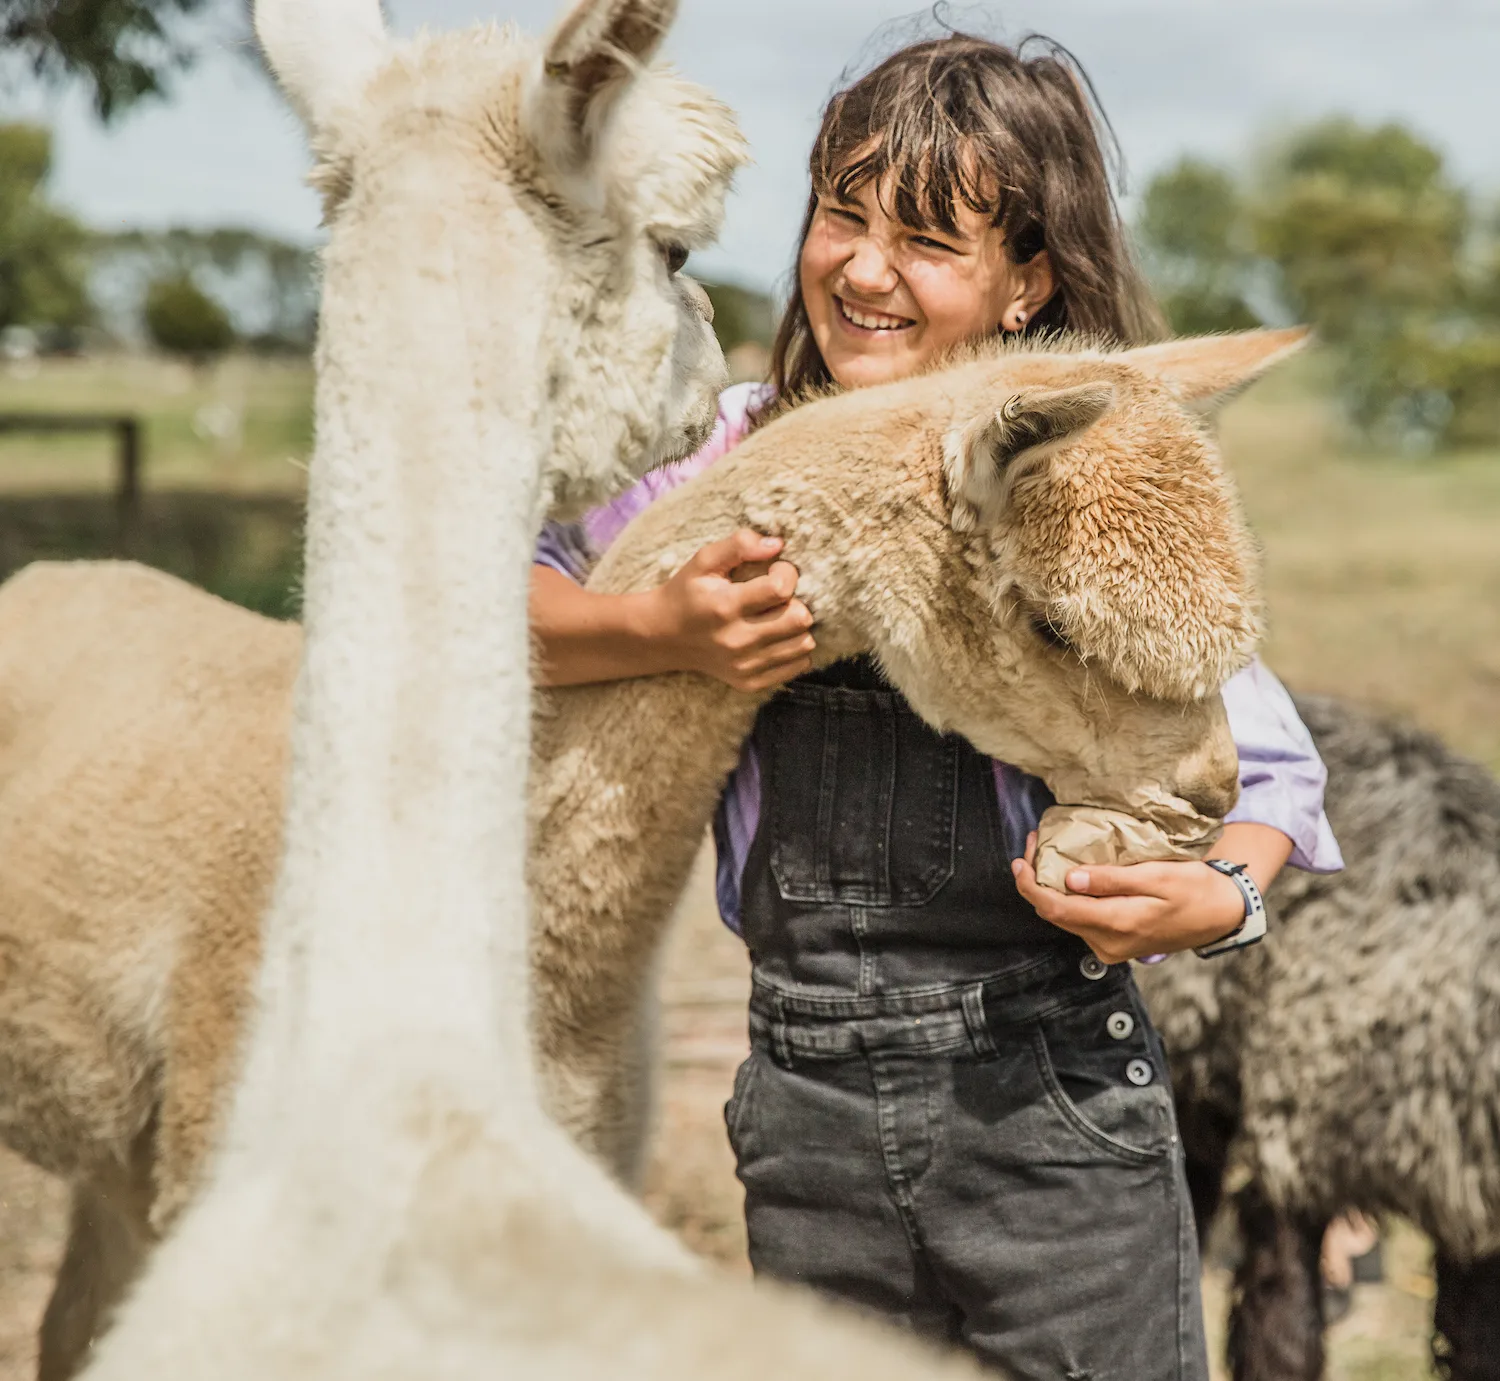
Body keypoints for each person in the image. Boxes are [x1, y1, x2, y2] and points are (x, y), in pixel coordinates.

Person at [531, 30, 1342, 1380]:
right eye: (841, 215)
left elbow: (1267, 775)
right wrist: (654, 625)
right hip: (805, 1114)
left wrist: (1220, 899)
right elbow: (491, 603)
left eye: (924, 240)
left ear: (1025, 281)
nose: (862, 268)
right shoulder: (713, 460)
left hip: (1051, 1112)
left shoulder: (1074, 470)